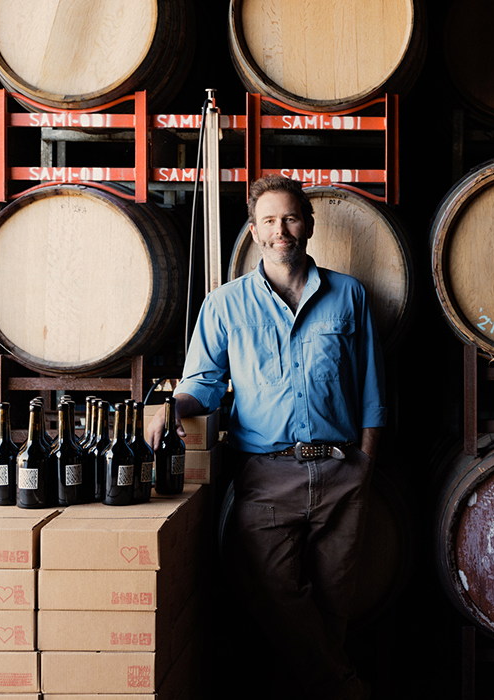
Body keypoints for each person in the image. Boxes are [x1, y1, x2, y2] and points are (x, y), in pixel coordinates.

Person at [148, 175, 384, 699]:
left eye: (292, 218)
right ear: (254, 231)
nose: (283, 231)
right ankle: (346, 690)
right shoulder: (224, 305)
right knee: (272, 592)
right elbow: (203, 386)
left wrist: (365, 463)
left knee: (331, 606)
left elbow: (371, 387)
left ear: (309, 224)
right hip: (266, 474)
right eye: (271, 221)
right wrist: (168, 406)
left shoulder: (350, 295)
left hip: (342, 471)